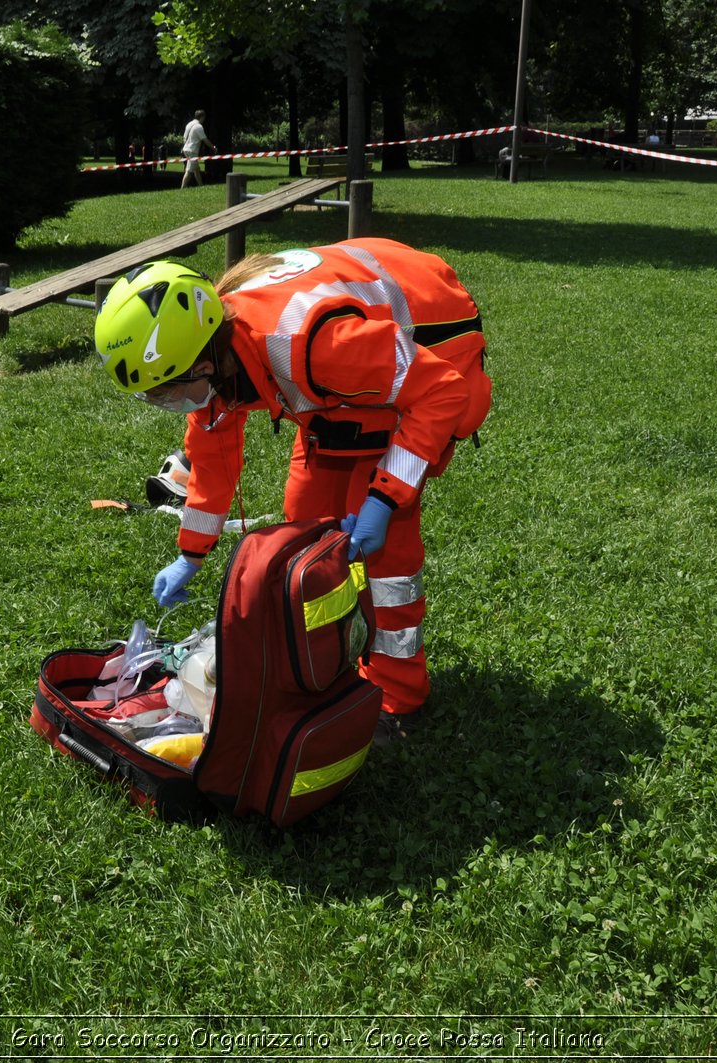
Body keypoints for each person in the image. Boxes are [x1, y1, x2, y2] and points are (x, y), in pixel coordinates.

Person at [93, 239, 491, 743]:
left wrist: (383, 498)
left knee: (386, 563)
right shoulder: (216, 349)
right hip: (345, 391)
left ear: (206, 361)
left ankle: (397, 699)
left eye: (168, 388)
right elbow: (211, 458)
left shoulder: (310, 342)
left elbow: (440, 391)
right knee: (303, 540)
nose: (167, 402)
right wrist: (190, 556)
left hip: (432, 361)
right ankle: (324, 667)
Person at [180, 110, 215, 189]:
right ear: (202, 117)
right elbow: (205, 139)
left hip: (186, 149)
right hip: (192, 150)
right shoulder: (199, 126)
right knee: (189, 171)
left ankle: (201, 186)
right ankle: (182, 188)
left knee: (196, 169)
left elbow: (184, 137)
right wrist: (213, 147)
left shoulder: (189, 124)